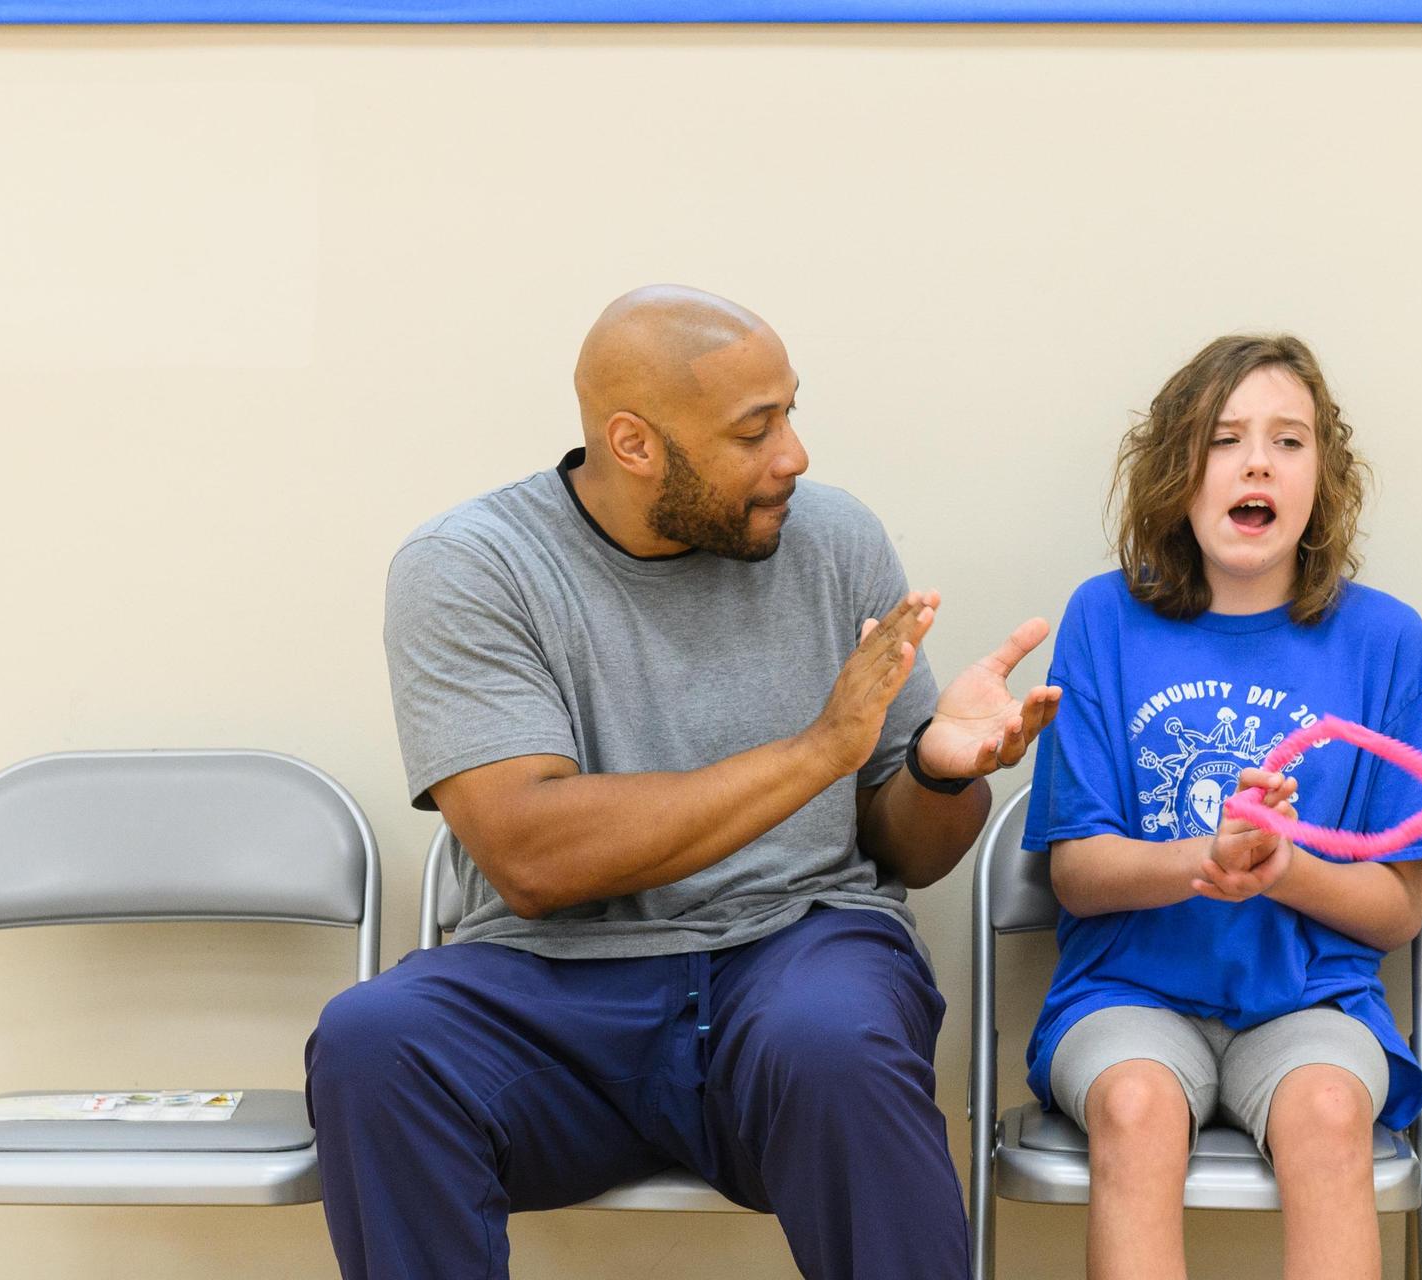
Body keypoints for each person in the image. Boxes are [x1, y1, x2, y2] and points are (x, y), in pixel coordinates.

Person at [306, 285, 1060, 1280]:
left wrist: (934, 769)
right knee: (374, 1040)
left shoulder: (834, 540)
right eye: (756, 430)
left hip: (797, 948)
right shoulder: (474, 566)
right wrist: (815, 752)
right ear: (634, 444)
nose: (794, 453)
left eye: (791, 411)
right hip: (557, 985)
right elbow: (530, 853)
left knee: (837, 1040)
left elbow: (905, 849)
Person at [1022, 333, 1422, 1280]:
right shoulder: (1102, 619)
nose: (1257, 461)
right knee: (1137, 1109)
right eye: (1224, 440)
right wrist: (1204, 859)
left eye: (1289, 441)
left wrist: (1284, 865)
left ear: (1322, 481)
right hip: (1126, 996)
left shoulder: (1386, 641)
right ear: (1176, 476)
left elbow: (1398, 912)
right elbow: (1078, 872)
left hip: (1314, 1003)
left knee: (1327, 1111)